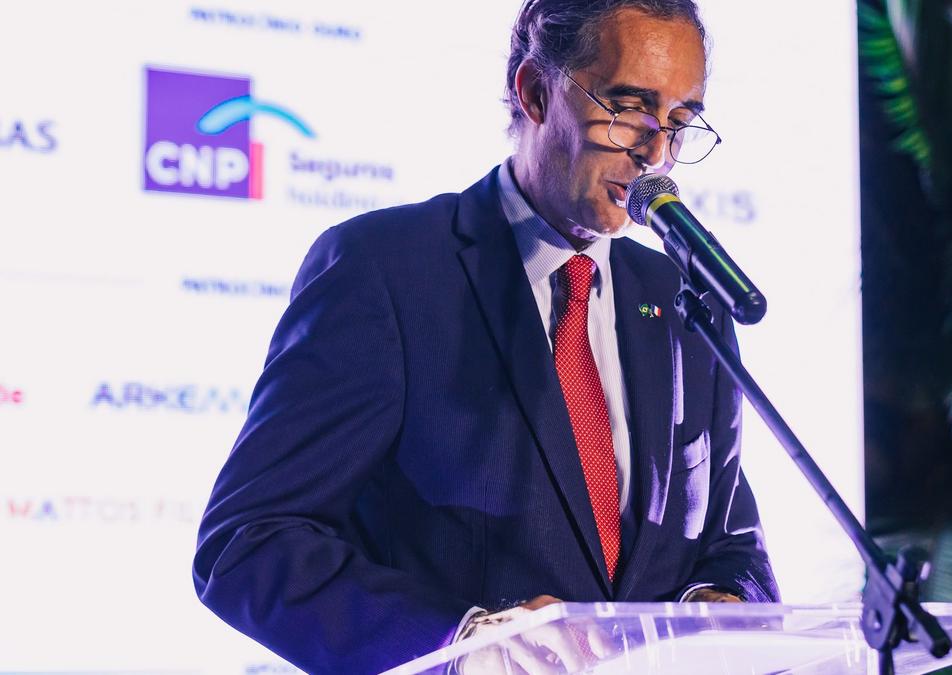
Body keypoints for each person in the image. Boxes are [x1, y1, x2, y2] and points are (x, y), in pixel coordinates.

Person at [192, 1, 778, 673]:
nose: (657, 154)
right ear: (535, 93)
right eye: (628, 108)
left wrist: (721, 602)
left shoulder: (683, 300)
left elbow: (732, 546)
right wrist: (463, 642)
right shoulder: (386, 270)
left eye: (678, 121)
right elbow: (249, 542)